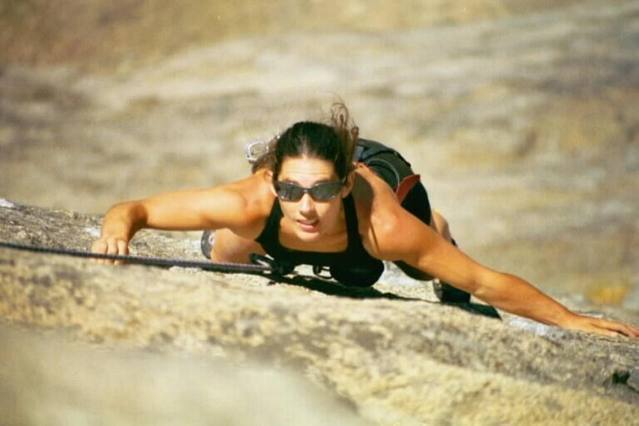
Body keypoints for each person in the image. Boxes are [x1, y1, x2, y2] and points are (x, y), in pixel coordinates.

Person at [92, 103, 639, 338]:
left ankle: (437, 228)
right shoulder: (251, 201)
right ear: (273, 182)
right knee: (225, 254)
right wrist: (115, 233)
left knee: (431, 271)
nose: (306, 206)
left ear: (344, 183)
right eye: (292, 191)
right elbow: (133, 210)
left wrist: (570, 320)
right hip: (289, 216)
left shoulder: (383, 224)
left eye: (323, 191)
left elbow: (481, 281)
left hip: (387, 183)